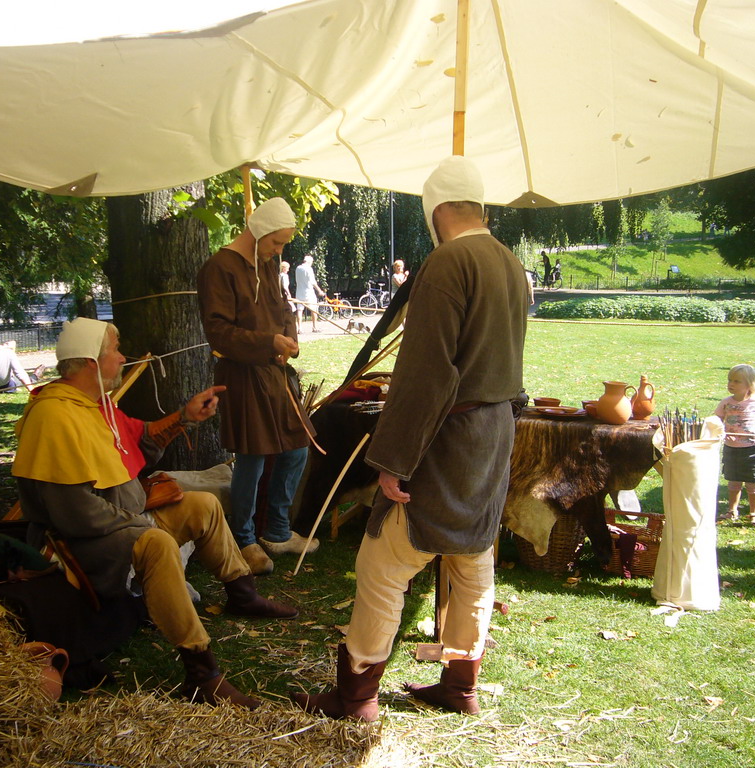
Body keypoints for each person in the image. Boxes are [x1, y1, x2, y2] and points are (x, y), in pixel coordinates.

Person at [292, 156, 529, 721]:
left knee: (384, 562)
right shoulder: (509, 263)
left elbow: (426, 375)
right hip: (493, 434)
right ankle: (460, 684)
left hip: (449, 437)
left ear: (437, 209)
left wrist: (394, 461)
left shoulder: (449, 262)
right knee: (472, 558)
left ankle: (356, 696)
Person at [12, 317, 298, 709]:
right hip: (81, 542)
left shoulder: (96, 406)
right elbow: (74, 515)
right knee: (157, 544)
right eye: (115, 350)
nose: (122, 357)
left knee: (204, 505)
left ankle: (242, 594)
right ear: (92, 363)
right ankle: (202, 671)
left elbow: (139, 440)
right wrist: (139, 523)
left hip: (120, 521)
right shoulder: (54, 416)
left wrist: (185, 416)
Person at [196, 197, 318, 577]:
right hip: (243, 374)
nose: (279, 251)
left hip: (274, 373)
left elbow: (283, 308)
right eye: (276, 242)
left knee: (297, 448)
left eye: (283, 244)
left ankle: (278, 532)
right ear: (259, 231)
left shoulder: (265, 263)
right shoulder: (219, 268)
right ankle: (244, 538)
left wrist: (289, 339)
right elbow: (218, 332)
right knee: (252, 456)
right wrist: (268, 344)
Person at [713, 364, 755, 526]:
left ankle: (754, 513)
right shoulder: (726, 402)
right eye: (729, 380)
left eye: (736, 381)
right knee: (733, 482)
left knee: (752, 482)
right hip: (731, 448)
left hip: (752, 448)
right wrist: (716, 430)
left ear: (749, 384)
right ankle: (732, 510)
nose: (731, 384)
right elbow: (717, 419)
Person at [294, 253, 325, 332]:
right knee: (314, 309)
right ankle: (314, 327)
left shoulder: (298, 268)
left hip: (299, 292)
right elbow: (313, 282)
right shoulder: (308, 269)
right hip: (308, 292)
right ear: (309, 262)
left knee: (300, 310)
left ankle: (299, 328)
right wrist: (320, 291)